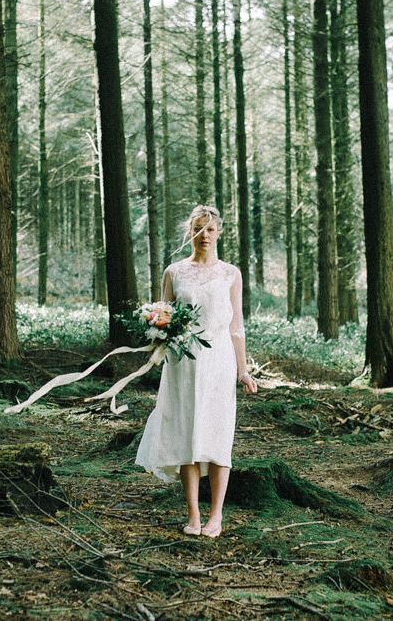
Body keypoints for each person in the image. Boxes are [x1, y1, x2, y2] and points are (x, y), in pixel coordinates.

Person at [135, 205, 257, 538]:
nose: (205, 235)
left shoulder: (230, 273)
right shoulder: (174, 272)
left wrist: (243, 370)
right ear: (190, 232)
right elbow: (165, 317)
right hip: (183, 363)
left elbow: (237, 326)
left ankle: (216, 515)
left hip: (219, 361)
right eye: (199, 229)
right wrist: (157, 341)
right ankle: (193, 514)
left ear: (219, 232)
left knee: (217, 434)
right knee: (187, 433)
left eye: (210, 229)